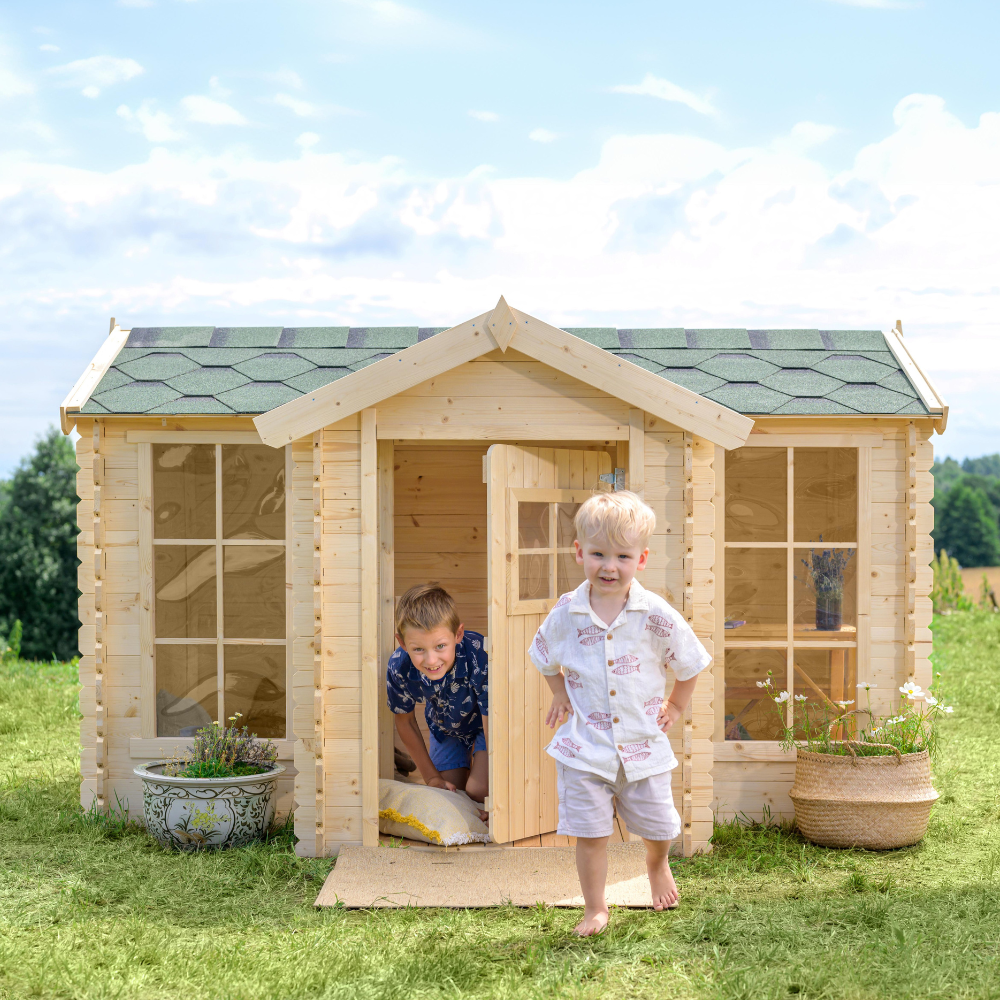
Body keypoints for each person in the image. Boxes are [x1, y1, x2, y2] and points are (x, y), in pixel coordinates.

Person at [528, 491, 711, 936]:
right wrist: (559, 693)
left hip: (643, 745)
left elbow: (690, 662)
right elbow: (543, 654)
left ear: (640, 559)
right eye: (598, 554)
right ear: (579, 553)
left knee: (660, 826)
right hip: (585, 748)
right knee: (591, 834)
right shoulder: (566, 612)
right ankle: (595, 908)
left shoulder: (656, 614)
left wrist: (676, 705)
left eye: (622, 556)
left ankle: (656, 864)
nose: (609, 566)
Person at [387, 583, 489, 811]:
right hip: (446, 728)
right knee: (448, 794)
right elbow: (405, 721)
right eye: (418, 649)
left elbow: (493, 714)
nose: (431, 660)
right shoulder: (399, 666)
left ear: (458, 634)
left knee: (479, 790)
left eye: (440, 646)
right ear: (402, 643)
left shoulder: (478, 654)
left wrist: (495, 798)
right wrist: (432, 778)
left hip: (487, 724)